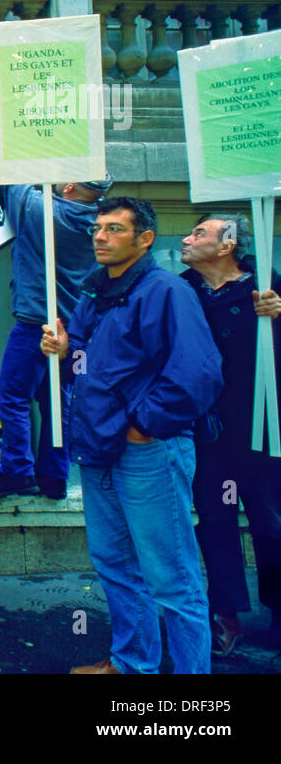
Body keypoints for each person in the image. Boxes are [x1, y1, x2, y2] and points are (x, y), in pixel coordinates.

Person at [41, 197, 222, 674]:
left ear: (144, 240)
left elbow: (198, 372)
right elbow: (83, 353)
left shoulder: (166, 290)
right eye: (98, 228)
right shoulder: (94, 291)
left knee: (172, 577)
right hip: (98, 449)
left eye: (114, 229)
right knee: (116, 565)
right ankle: (131, 662)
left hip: (148, 452)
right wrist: (62, 349)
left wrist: (145, 428)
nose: (100, 236)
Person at [179, 213, 281, 655]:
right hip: (211, 430)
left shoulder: (265, 285)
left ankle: (278, 611)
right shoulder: (182, 290)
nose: (188, 237)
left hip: (264, 429)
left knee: (271, 522)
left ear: (227, 245)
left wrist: (278, 314)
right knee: (216, 520)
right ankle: (226, 615)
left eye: (199, 233)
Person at [0, 178, 111, 499]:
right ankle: (55, 475)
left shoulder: (41, 209)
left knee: (12, 396)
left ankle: (18, 471)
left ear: (69, 186)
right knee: (57, 401)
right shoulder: (99, 225)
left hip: (34, 324)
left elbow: (10, 178)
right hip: (70, 327)